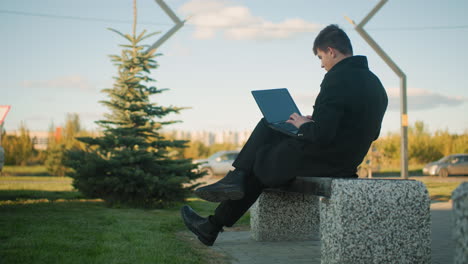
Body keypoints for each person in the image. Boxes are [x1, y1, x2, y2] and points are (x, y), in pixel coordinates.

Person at [180, 24, 388, 246]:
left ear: (331, 51)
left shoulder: (337, 79)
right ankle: (220, 208)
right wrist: (311, 123)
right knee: (271, 135)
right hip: (346, 160)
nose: (321, 65)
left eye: (320, 57)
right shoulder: (375, 83)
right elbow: (369, 132)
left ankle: (228, 193)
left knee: (263, 154)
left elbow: (322, 136)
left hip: (326, 160)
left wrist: (304, 126)